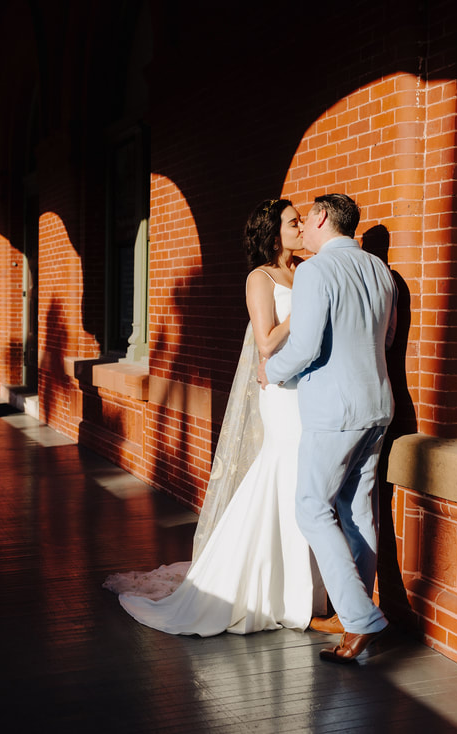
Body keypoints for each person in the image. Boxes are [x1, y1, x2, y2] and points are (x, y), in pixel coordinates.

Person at [103, 198, 326, 635]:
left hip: (310, 393)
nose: (301, 227)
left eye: (301, 221)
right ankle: (268, 590)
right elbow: (265, 345)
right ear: (272, 232)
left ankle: (299, 589)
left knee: (302, 482)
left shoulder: (307, 271)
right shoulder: (260, 279)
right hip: (281, 394)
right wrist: (303, 311)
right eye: (292, 222)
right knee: (283, 478)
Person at [258, 193, 397, 664]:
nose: (303, 228)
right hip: (378, 405)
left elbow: (306, 344)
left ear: (320, 217)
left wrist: (272, 372)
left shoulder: (316, 270)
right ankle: (352, 617)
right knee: (359, 512)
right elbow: (388, 337)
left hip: (335, 411)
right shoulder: (381, 271)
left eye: (306, 218)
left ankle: (360, 618)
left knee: (311, 509)